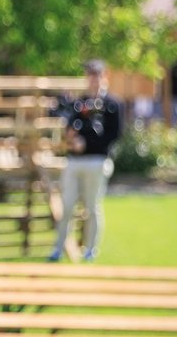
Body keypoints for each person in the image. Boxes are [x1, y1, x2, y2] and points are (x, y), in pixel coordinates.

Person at [49, 59, 122, 262]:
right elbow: (69, 128)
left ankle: (90, 249)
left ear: (104, 76)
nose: (93, 79)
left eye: (97, 75)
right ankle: (58, 248)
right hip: (74, 161)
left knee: (92, 207)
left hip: (97, 161)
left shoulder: (112, 105)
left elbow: (113, 135)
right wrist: (71, 138)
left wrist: (87, 144)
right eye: (90, 75)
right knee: (67, 206)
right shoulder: (78, 103)